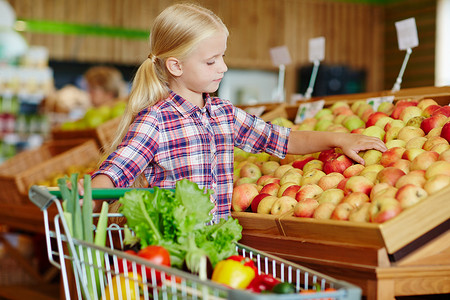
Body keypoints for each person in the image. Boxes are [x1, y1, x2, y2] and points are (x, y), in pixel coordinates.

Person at [85, 3, 386, 220]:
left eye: (223, 56)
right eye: (211, 61)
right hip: (172, 252)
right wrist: (80, 202)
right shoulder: (156, 121)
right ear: (176, 66)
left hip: (217, 247)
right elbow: (115, 173)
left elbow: (284, 140)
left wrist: (339, 140)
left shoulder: (224, 114)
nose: (224, 67)